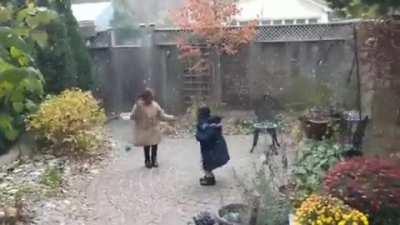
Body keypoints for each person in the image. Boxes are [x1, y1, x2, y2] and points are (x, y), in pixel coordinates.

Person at [130, 88, 175, 168]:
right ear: (145, 98)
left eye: (152, 97)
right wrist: (137, 108)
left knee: (154, 145)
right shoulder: (138, 106)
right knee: (146, 145)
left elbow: (162, 115)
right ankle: (147, 160)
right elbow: (132, 116)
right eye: (149, 97)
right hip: (144, 129)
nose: (151, 99)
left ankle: (154, 159)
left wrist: (171, 117)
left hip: (154, 128)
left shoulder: (155, 105)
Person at [196, 106, 230, 186]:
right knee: (207, 162)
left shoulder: (204, 123)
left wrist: (198, 136)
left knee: (206, 164)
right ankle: (208, 176)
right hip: (215, 145)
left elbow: (205, 135)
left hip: (211, 148)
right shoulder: (212, 121)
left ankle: (210, 179)